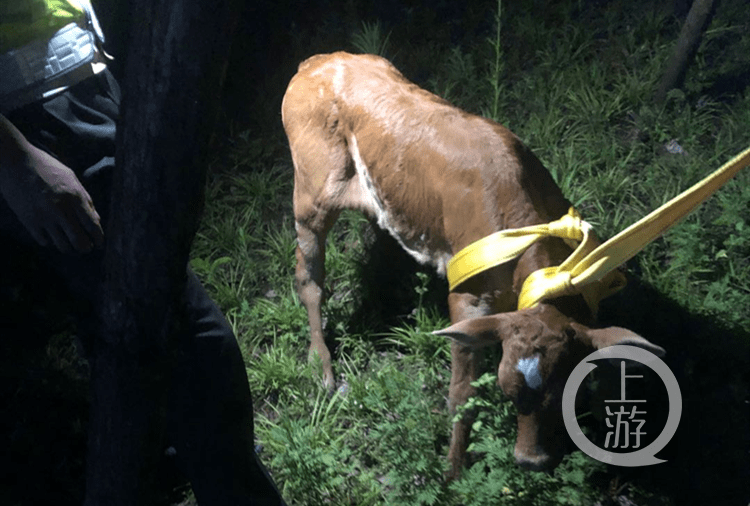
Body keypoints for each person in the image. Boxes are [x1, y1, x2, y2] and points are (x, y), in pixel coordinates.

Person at [0, 1, 286, 504]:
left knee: (113, 322)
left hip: (73, 87)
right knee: (195, 340)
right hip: (38, 119)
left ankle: (158, 462)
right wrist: (14, 161)